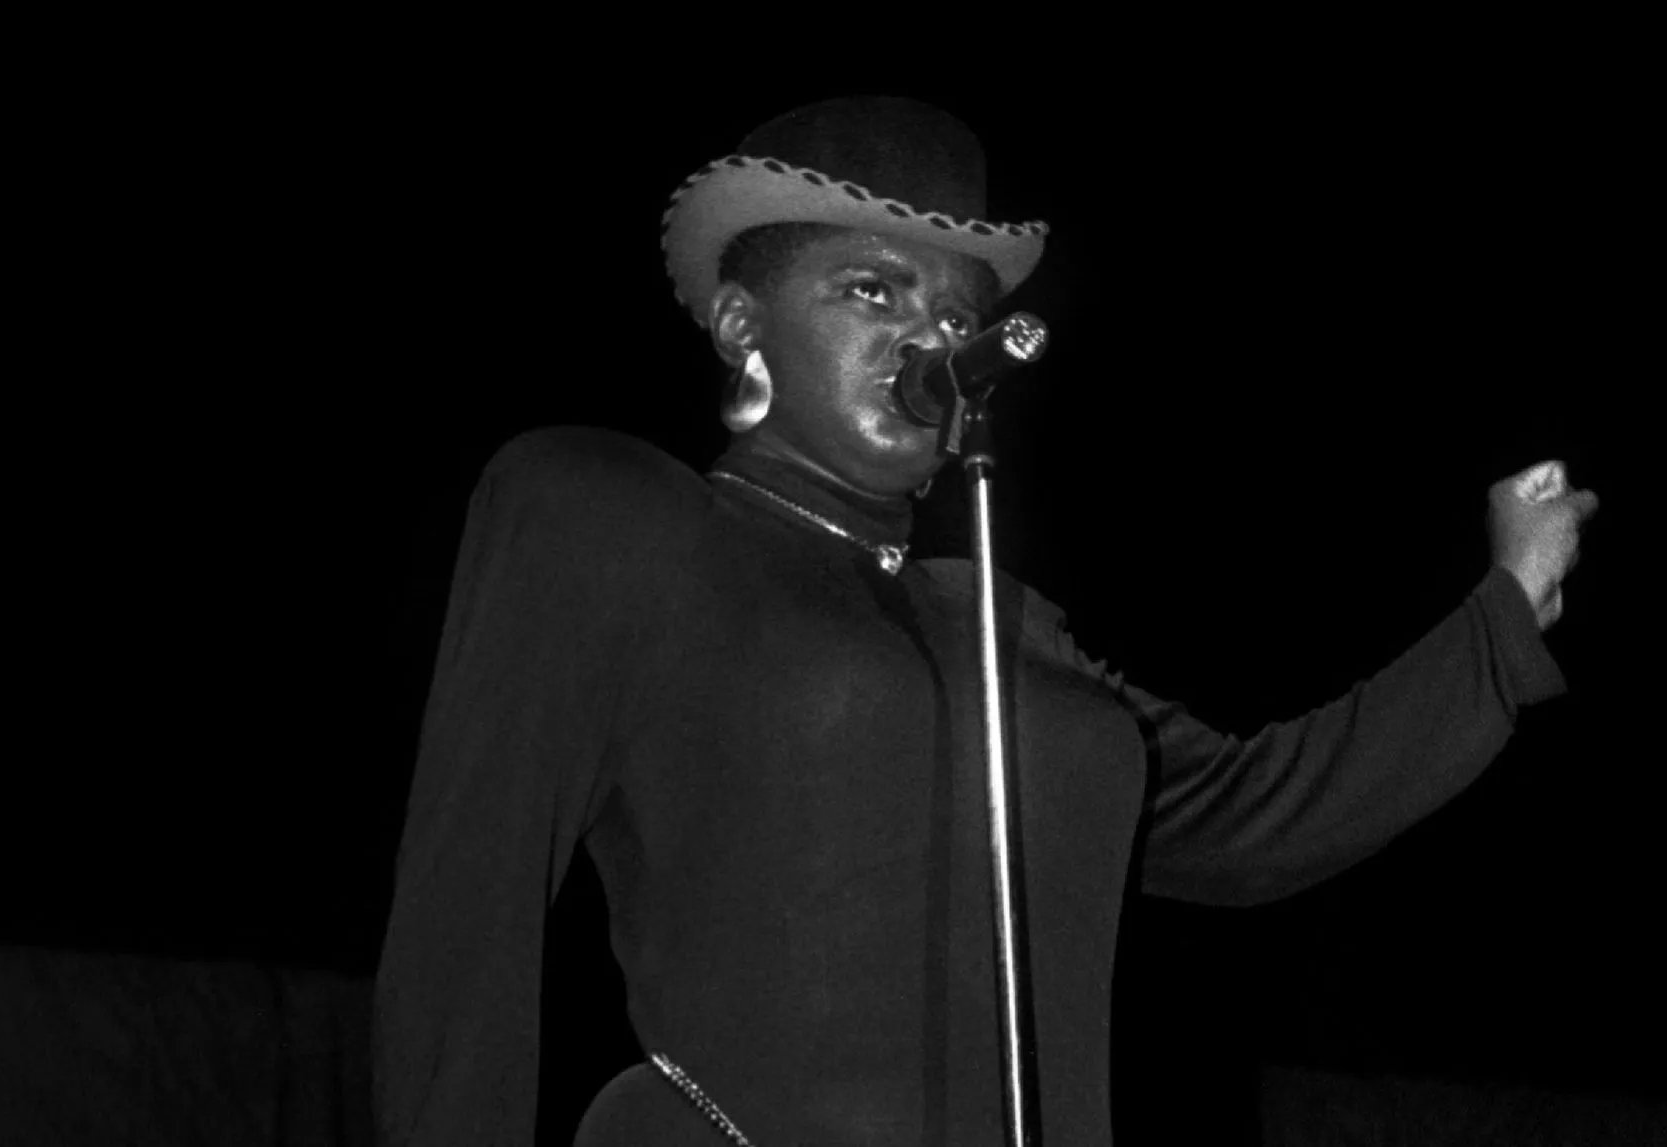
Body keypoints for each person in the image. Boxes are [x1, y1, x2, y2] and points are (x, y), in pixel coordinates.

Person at [373, 95, 1599, 1146]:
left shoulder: (1003, 621)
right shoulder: (615, 516)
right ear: (745, 322)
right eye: (871, 289)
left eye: (958, 316)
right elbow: (461, 924)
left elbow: (1257, 816)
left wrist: (1505, 609)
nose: (930, 337)